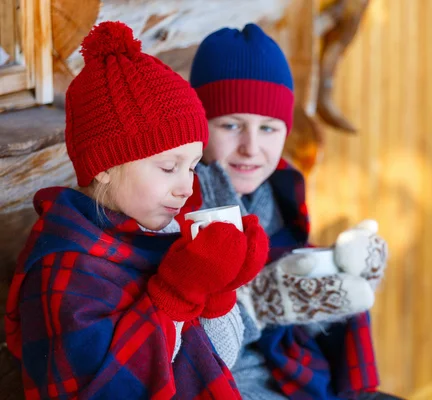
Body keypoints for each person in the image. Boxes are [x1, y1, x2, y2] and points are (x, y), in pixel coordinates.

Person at [4, 21, 268, 399]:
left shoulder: (156, 238)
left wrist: (221, 289)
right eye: (168, 167)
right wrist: (175, 295)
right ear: (105, 167)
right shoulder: (65, 269)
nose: (187, 186)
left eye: (192, 166)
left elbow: (219, 361)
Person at [190, 23, 398, 399]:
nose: (250, 147)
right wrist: (258, 306)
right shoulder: (183, 204)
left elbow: (295, 302)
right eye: (231, 125)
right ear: (200, 126)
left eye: (268, 128)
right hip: (229, 384)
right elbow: (182, 346)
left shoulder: (279, 194)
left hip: (296, 372)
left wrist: (341, 277)